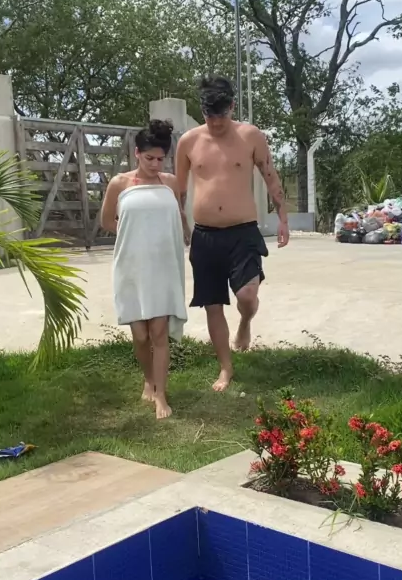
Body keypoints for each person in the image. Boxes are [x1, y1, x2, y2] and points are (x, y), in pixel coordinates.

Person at [176, 75, 290, 392]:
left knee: (247, 297)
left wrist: (283, 218)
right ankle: (226, 368)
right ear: (202, 110)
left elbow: (270, 175)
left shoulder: (250, 136)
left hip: (243, 232)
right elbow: (179, 189)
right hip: (205, 236)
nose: (215, 122)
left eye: (221, 114)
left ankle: (245, 322)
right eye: (209, 115)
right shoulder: (188, 141)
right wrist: (181, 224)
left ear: (232, 107)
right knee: (213, 304)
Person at [101, 120, 189, 419]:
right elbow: (107, 221)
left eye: (160, 159)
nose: (154, 164)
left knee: (159, 332)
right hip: (132, 265)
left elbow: (176, 216)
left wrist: (184, 234)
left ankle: (161, 394)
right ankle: (148, 379)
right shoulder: (119, 184)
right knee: (140, 335)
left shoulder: (170, 183)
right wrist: (134, 237)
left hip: (163, 265)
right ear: (136, 153)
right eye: (149, 157)